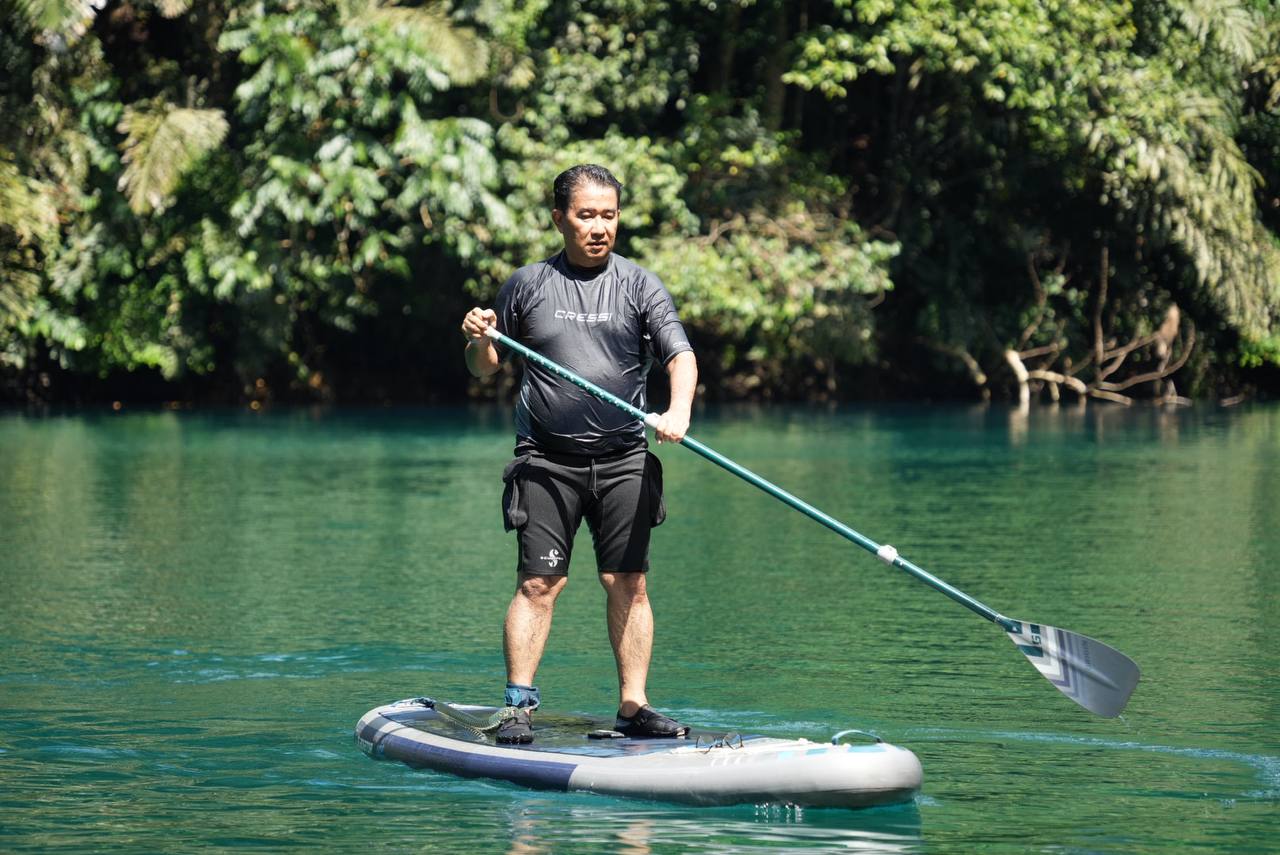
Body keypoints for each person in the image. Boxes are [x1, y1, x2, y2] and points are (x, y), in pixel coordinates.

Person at [460, 164, 698, 745]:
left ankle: (634, 707)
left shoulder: (640, 286)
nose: (599, 226)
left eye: (609, 215)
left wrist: (679, 411)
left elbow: (680, 358)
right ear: (559, 218)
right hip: (545, 460)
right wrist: (479, 339)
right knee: (540, 585)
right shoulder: (527, 285)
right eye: (586, 214)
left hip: (624, 460)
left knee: (629, 582)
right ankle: (518, 706)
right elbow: (484, 367)